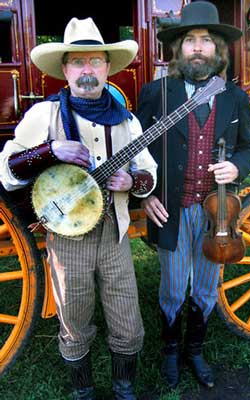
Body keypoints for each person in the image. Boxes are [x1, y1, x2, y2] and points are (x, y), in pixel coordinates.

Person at [0, 17, 157, 400]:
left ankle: (124, 389)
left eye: (96, 61)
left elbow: (148, 170)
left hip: (115, 235)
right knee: (74, 318)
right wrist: (49, 151)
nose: (88, 70)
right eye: (78, 62)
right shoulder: (45, 116)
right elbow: (7, 171)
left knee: (128, 321)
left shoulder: (127, 119)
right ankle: (82, 391)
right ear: (65, 70)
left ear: (107, 67)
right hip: (67, 241)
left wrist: (132, 183)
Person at [136, 0, 250, 390]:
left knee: (206, 288)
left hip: (216, 215)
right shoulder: (156, 93)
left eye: (206, 40)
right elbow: (137, 150)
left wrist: (239, 165)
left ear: (218, 50)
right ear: (178, 49)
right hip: (171, 208)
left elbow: (249, 146)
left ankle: (195, 349)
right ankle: (171, 350)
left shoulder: (234, 98)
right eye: (190, 40)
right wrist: (146, 195)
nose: (197, 48)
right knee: (172, 287)